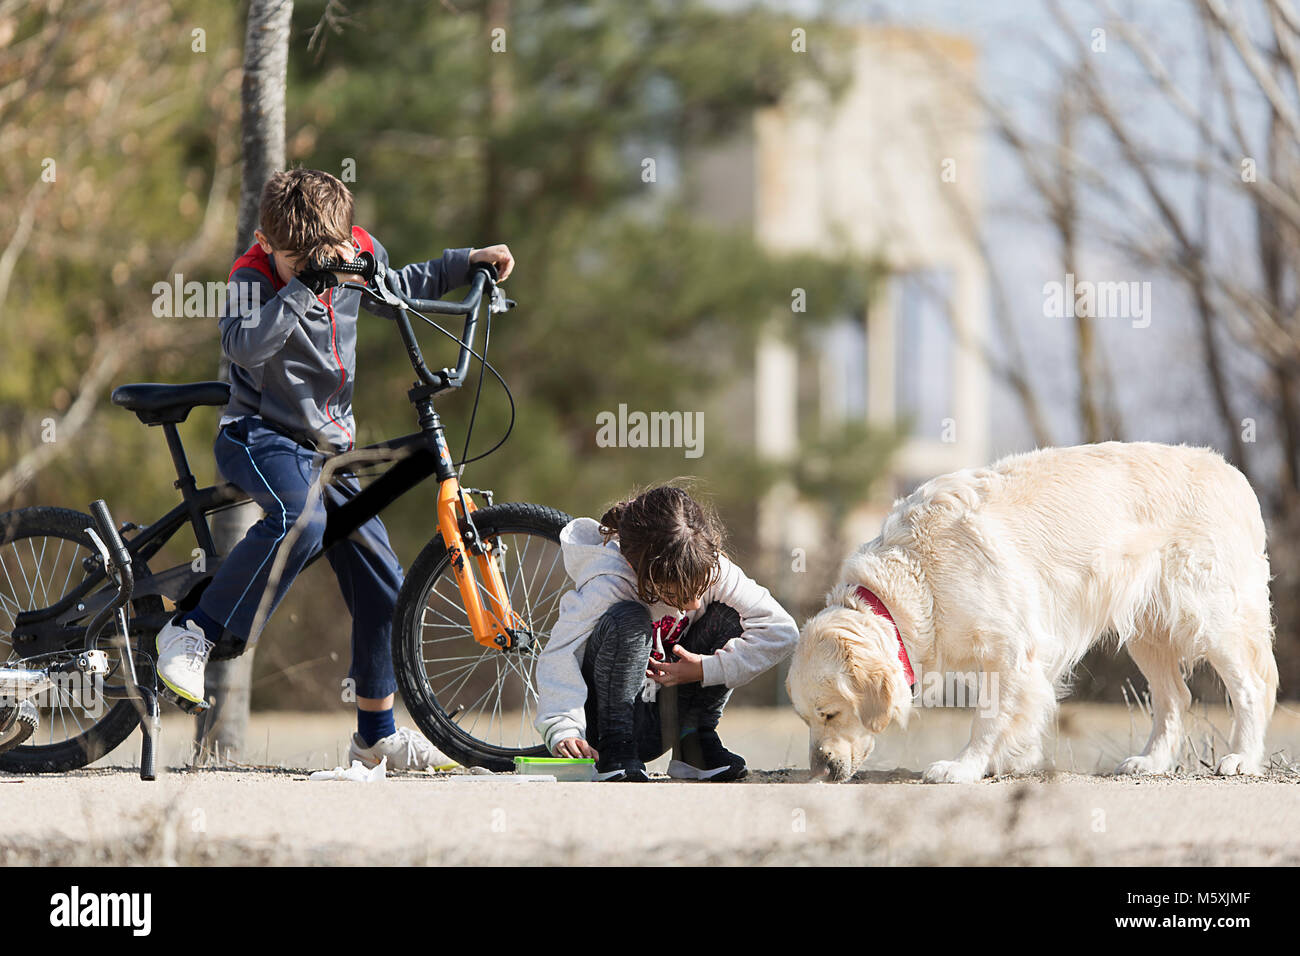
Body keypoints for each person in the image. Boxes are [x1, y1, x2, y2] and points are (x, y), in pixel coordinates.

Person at [153, 167, 515, 771]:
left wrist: (465, 262)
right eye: (298, 260)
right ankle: (191, 631)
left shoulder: (354, 250)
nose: (316, 270)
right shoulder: (254, 274)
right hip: (260, 436)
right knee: (302, 521)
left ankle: (375, 737)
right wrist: (297, 289)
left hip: (329, 453)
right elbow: (242, 346)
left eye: (327, 256)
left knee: (384, 582)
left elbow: (400, 284)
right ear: (267, 243)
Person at [535, 484, 799, 781]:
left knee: (730, 615)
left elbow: (782, 631)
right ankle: (616, 750)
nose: (694, 603)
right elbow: (561, 652)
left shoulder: (710, 567)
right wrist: (563, 728)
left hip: (666, 721)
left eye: (699, 589)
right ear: (645, 574)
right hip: (606, 723)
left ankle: (693, 743)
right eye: (678, 593)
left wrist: (705, 669)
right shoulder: (609, 583)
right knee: (629, 618)